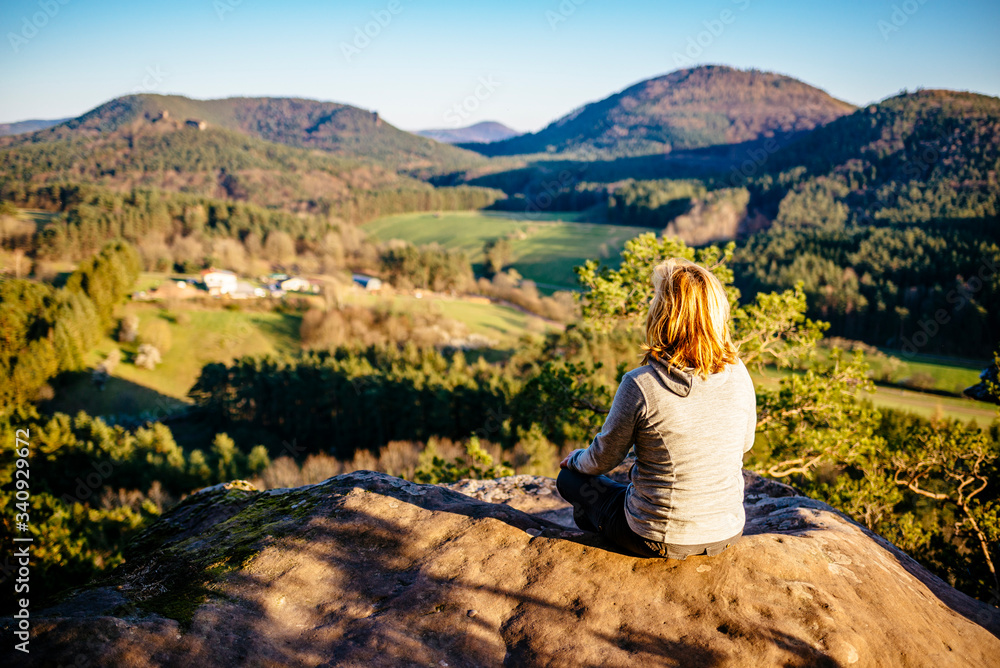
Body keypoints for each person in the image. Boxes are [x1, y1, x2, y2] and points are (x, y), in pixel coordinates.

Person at [556, 258, 756, 560]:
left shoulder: (641, 384)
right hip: (726, 530)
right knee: (615, 493)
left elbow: (603, 458)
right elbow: (745, 443)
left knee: (571, 482)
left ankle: (599, 529)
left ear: (662, 315)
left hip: (656, 537)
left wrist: (575, 460)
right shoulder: (738, 371)